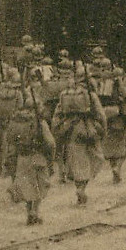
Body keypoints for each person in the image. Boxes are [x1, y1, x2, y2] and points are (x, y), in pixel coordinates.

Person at [52, 66, 106, 205]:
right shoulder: (90, 94)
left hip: (70, 129)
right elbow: (100, 114)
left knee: (75, 159)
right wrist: (102, 130)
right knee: (95, 156)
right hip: (88, 129)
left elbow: (57, 114)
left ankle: (78, 186)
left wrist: (58, 129)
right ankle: (82, 188)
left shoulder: (65, 94)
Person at [2, 95, 56, 225]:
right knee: (40, 185)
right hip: (38, 157)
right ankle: (35, 211)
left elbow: (9, 142)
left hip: (22, 158)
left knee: (27, 187)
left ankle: (29, 211)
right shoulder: (39, 122)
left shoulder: (16, 121)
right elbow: (50, 143)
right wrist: (51, 158)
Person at [96, 59, 126, 183]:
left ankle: (113, 167)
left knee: (109, 146)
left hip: (104, 117)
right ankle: (117, 168)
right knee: (122, 146)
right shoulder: (116, 82)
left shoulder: (98, 83)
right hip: (117, 117)